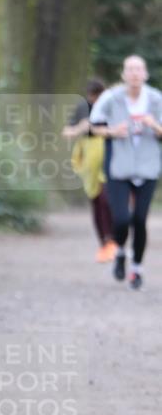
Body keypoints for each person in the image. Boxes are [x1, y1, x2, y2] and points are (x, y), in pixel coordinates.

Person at [89, 56, 162, 289]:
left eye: (138, 69)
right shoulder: (111, 98)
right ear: (123, 74)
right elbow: (94, 126)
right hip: (119, 168)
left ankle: (136, 269)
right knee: (121, 219)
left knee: (139, 219)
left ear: (145, 74)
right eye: (130, 69)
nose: (134, 73)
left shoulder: (156, 99)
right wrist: (113, 131)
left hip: (148, 168)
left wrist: (154, 125)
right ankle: (120, 250)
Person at [62, 79, 116, 263]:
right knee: (96, 200)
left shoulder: (113, 105)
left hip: (109, 154)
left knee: (106, 199)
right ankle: (104, 242)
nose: (95, 101)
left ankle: (112, 239)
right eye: (92, 97)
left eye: (97, 97)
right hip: (89, 157)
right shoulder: (82, 107)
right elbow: (66, 132)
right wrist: (80, 127)